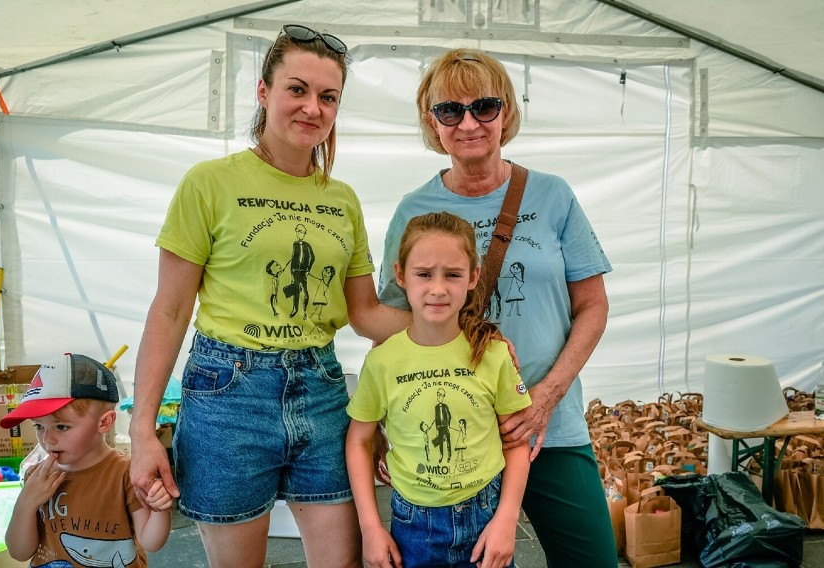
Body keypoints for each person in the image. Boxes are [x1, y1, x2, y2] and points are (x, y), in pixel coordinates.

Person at [128, 24, 410, 568]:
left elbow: (366, 313)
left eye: (328, 97)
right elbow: (169, 311)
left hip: (322, 392)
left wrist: (456, 328)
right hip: (227, 393)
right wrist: (142, 431)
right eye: (297, 89)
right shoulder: (209, 183)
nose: (313, 108)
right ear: (264, 92)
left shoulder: (342, 200)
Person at [377, 48, 617, 567]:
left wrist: (547, 397)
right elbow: (394, 324)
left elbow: (593, 306)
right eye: (450, 110)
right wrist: (385, 424)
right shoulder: (414, 210)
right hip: (456, 434)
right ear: (432, 122)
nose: (468, 122)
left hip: (547, 426)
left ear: (505, 112)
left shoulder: (553, 196)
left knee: (593, 559)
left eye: (484, 106)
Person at [347, 211, 531, 568]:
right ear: (400, 275)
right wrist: (370, 527)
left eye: (452, 275)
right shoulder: (382, 362)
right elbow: (358, 441)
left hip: (486, 519)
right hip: (414, 529)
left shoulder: (493, 354)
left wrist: (507, 520)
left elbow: (517, 441)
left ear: (473, 277)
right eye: (423, 274)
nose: (437, 288)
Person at [1, 353, 172, 566]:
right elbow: (19, 552)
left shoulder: (125, 472)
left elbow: (150, 542)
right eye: (39, 426)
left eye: (62, 426)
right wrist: (26, 502)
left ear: (104, 422)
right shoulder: (36, 476)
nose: (47, 438)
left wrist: (160, 507)